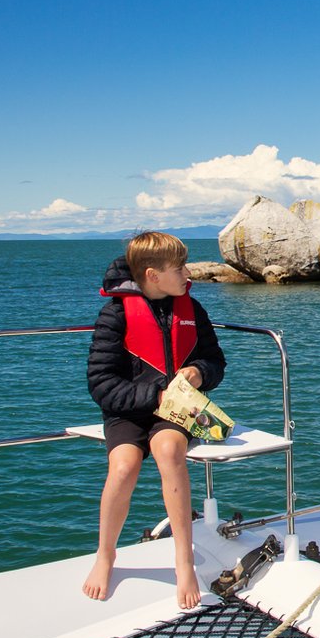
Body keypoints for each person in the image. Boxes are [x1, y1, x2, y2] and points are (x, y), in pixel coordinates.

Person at [83, 231, 225, 608]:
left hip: (175, 412)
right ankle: (106, 555)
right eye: (179, 268)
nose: (187, 274)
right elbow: (101, 384)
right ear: (153, 275)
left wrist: (198, 372)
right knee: (124, 465)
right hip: (127, 409)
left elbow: (216, 361)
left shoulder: (192, 311)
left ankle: (184, 559)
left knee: (168, 449)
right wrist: (153, 395)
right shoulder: (115, 314)